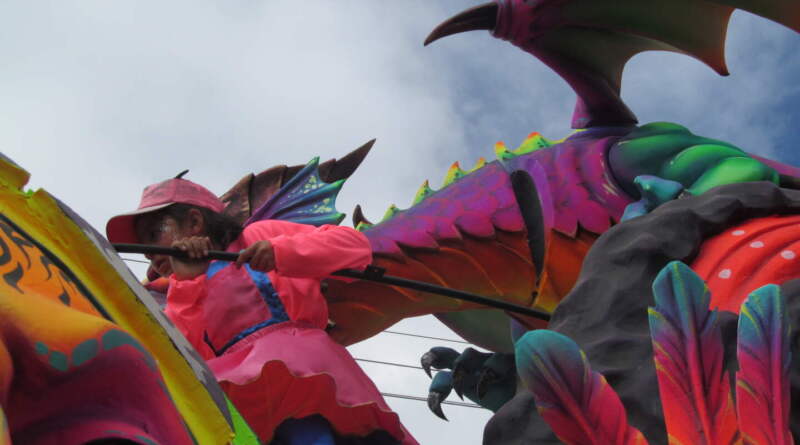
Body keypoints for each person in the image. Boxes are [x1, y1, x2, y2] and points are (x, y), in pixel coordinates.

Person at [106, 174, 416, 445]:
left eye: (155, 233)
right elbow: (187, 357)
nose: (149, 254)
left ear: (194, 222)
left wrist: (281, 251)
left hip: (305, 370)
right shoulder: (179, 288)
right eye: (145, 249)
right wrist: (189, 282)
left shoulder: (257, 235)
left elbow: (354, 246)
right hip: (240, 395)